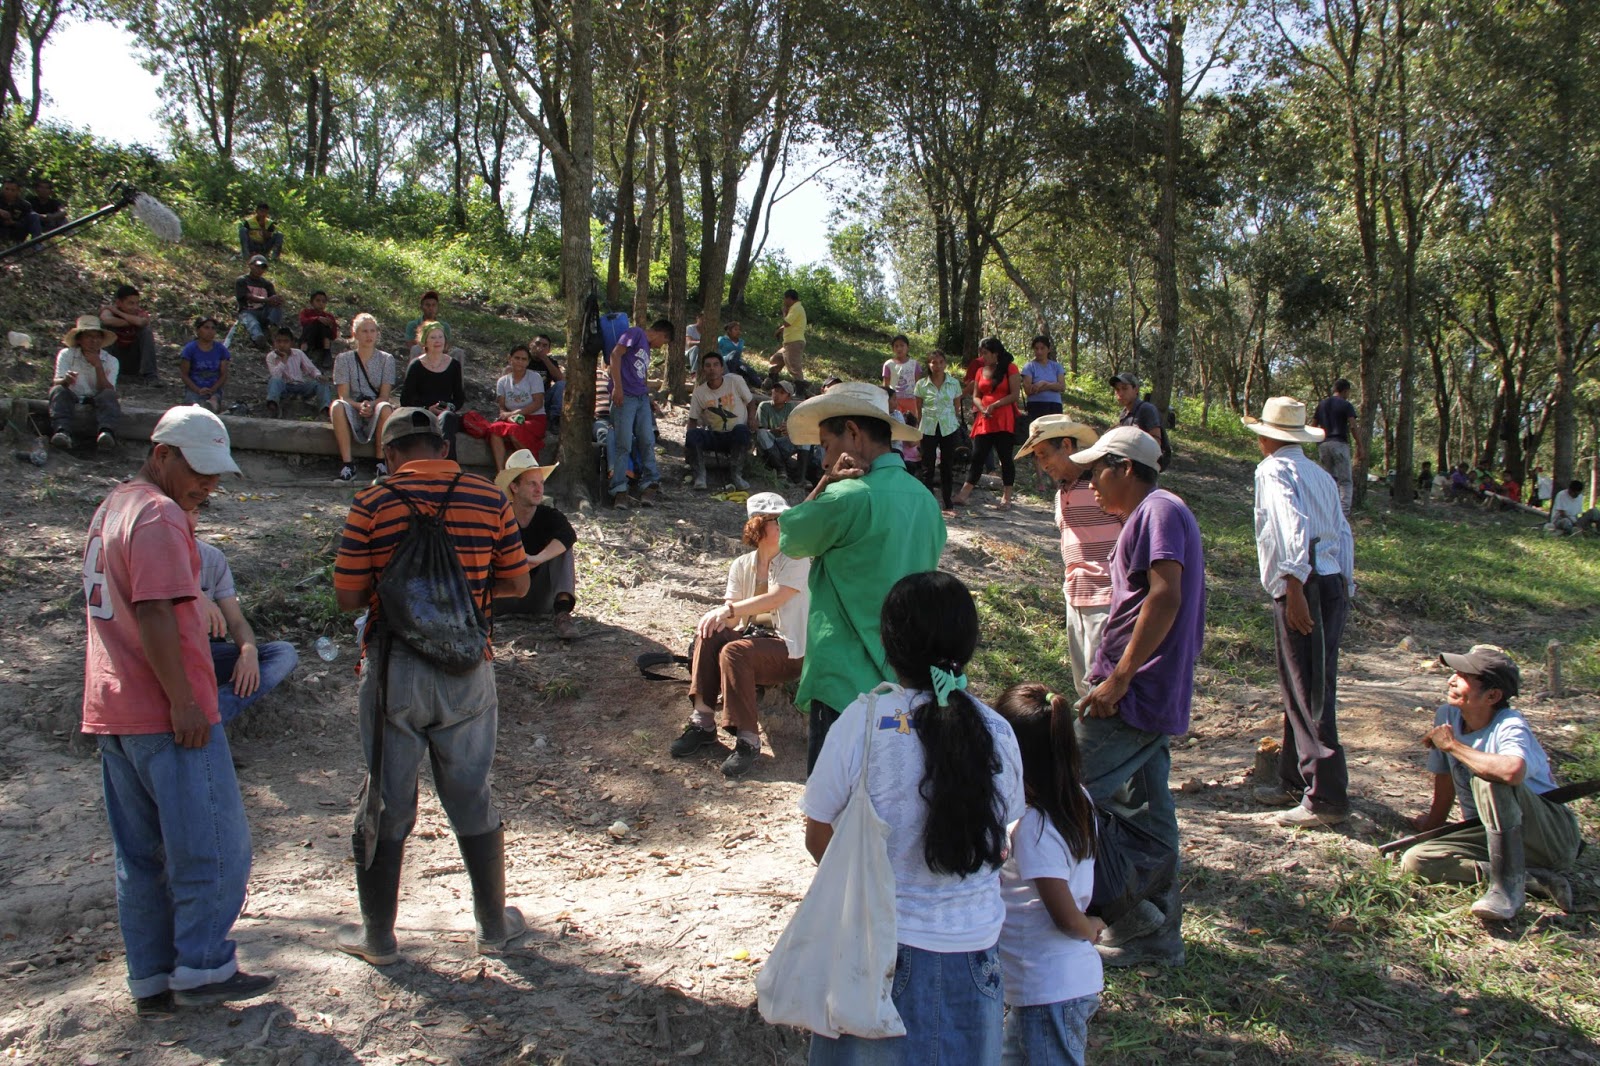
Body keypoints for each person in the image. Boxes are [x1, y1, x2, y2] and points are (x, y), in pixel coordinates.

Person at [80, 405, 275, 1013]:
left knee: (141, 855)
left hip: (115, 707)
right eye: (200, 470)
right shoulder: (161, 515)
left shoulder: (116, 505)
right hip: (165, 711)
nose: (209, 485)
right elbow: (159, 612)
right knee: (214, 847)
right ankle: (202, 966)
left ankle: (151, 975)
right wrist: (186, 702)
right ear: (162, 453)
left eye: (217, 474)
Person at [332, 407, 532, 965]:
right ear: (443, 450)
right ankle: (493, 926)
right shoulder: (489, 500)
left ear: (391, 455)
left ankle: (378, 938)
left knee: (387, 798)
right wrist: (464, 587)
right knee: (470, 791)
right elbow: (517, 580)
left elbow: (348, 597)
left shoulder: (372, 503)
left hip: (396, 669)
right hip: (468, 670)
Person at [801, 571, 1023, 1065]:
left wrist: (867, 884)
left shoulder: (860, 723)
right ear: (969, 644)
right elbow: (1007, 831)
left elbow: (818, 836)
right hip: (976, 956)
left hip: (875, 951)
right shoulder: (999, 732)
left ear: (889, 644)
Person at [1066, 426, 1206, 967]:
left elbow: (1166, 597)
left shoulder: (1158, 510)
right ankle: (1154, 934)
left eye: (1096, 470)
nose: (1091, 483)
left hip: (1134, 693)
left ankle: (1120, 917)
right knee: (1148, 814)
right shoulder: (1151, 515)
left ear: (1125, 466)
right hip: (1149, 690)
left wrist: (1120, 678)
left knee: (1061, 788)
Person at [779, 382, 945, 772]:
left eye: (825, 445)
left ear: (853, 432)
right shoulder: (925, 500)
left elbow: (791, 537)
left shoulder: (848, 496)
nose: (824, 459)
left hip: (844, 682)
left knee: (832, 808)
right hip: (905, 682)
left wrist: (825, 485)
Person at [1399, 646, 1583, 921]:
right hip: (1489, 833)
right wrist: (1433, 826)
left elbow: (1511, 772)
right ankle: (1533, 880)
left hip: (1550, 836)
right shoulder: (1448, 715)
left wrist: (1453, 746)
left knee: (1490, 776)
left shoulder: (1509, 725)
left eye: (1462, 676)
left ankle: (1506, 890)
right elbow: (1445, 778)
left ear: (1493, 695)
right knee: (1416, 861)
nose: (1451, 680)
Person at [1243, 398, 1356, 829]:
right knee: (1305, 682)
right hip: (1329, 582)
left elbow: (1290, 526)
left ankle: (1326, 795)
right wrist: (1346, 583)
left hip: (1304, 583)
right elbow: (1341, 531)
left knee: (1309, 688)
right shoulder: (1320, 475)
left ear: (1269, 436)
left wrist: (1293, 584)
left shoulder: (1274, 470)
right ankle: (1295, 776)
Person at [993, 684, 1104, 1066]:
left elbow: (1064, 915)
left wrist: (1088, 927)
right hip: (1035, 989)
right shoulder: (1078, 799)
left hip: (1049, 989)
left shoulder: (1034, 828)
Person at [671, 492, 811, 777]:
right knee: (710, 633)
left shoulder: (797, 559)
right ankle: (703, 722)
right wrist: (720, 618)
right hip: (752, 640)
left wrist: (727, 611)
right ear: (758, 525)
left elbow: (776, 598)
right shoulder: (742, 565)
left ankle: (748, 740)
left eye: (786, 518)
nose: (785, 525)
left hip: (789, 648)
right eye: (777, 520)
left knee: (734, 650)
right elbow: (733, 618)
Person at [1015, 416, 1117, 698]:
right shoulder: (1061, 494)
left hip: (1108, 596)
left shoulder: (1104, 484)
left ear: (1067, 445)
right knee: (1084, 685)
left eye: (1045, 454)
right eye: (1037, 457)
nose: (1043, 464)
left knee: (1104, 685)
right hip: (1075, 596)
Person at [195, 529, 300, 724]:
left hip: (204, 653)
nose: (183, 519)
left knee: (284, 653)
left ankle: (211, 717)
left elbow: (236, 621)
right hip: (162, 660)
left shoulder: (211, 557)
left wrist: (248, 652)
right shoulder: (145, 554)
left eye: (192, 510)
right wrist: (194, 596)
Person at [493, 449, 577, 639]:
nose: (539, 490)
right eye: (532, 484)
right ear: (514, 487)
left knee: (563, 547)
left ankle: (563, 614)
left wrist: (537, 559)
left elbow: (568, 534)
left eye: (541, 483)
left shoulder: (549, 516)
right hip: (501, 598)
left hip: (539, 599)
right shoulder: (497, 518)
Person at [954, 337, 1023, 509]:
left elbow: (1015, 395)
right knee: (977, 456)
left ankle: (1006, 497)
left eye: (985, 353)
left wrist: (996, 405)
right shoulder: (980, 371)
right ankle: (964, 494)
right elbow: (976, 395)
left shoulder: (1010, 368)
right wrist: (982, 407)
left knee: (1005, 457)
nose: (982, 356)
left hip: (1004, 419)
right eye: (981, 353)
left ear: (995, 353)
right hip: (984, 419)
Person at [606, 317, 668, 508]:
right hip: (625, 398)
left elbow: (638, 374)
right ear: (661, 334)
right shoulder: (635, 333)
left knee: (647, 440)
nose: (661, 346)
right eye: (664, 342)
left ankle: (650, 484)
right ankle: (619, 489)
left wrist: (648, 399)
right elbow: (615, 355)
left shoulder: (646, 349)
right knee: (623, 443)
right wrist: (617, 387)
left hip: (640, 398)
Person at [329, 313, 397, 482]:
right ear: (355, 334)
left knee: (385, 407)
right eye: (364, 331)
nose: (369, 335)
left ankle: (381, 463)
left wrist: (370, 405)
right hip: (353, 407)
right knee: (337, 405)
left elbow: (384, 396)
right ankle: (347, 465)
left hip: (376, 405)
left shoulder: (386, 359)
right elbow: (343, 395)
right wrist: (358, 406)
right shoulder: (343, 359)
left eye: (372, 331)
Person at [50, 315, 121, 452]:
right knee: (58, 390)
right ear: (79, 339)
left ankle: (106, 433)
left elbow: (108, 389)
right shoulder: (66, 355)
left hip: (96, 397)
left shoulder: (111, 361)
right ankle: (62, 432)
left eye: (97, 337)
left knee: (109, 395)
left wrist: (98, 366)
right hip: (72, 395)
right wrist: (66, 380)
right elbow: (56, 381)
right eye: (89, 337)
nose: (94, 341)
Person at [687, 350, 757, 490]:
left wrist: (751, 419)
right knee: (693, 434)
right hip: (715, 435)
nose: (712, 368)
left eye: (715, 365)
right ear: (703, 369)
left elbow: (751, 402)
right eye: (708, 365)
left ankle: (736, 475)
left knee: (741, 430)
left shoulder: (735, 381)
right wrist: (689, 446)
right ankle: (700, 476)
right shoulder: (699, 392)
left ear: (722, 368)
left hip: (736, 435)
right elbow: (693, 419)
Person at [400, 322, 466, 457]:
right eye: (433, 337)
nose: (437, 341)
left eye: (440, 337)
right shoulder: (416, 365)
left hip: (446, 413)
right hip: (422, 412)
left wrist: (449, 407)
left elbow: (459, 398)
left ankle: (448, 466)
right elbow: (405, 400)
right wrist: (427, 409)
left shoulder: (454, 365)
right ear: (425, 341)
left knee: (447, 418)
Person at [913, 349, 964, 514]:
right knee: (928, 466)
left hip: (949, 427)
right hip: (928, 427)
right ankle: (927, 502)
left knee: (947, 465)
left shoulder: (953, 383)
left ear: (945, 363)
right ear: (928, 364)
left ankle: (948, 503)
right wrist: (923, 422)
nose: (937, 365)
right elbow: (918, 408)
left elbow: (956, 406)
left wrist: (948, 419)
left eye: (941, 362)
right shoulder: (921, 384)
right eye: (934, 362)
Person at [484, 343, 548, 470]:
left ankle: (531, 467)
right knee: (494, 429)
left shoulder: (534, 377)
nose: (520, 362)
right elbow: (502, 408)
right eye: (517, 358)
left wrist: (515, 414)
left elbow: (538, 403)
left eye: (524, 359)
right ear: (510, 359)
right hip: (512, 419)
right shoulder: (503, 382)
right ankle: (501, 472)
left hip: (534, 418)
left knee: (514, 431)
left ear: (528, 362)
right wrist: (508, 417)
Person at [1310, 378, 1361, 514]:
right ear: (1345, 391)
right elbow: (1353, 426)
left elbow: (1313, 425)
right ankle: (1344, 512)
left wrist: (1316, 443)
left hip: (1324, 444)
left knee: (1329, 478)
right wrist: (1360, 445)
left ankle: (1326, 508)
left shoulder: (1321, 405)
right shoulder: (1346, 405)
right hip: (1339, 443)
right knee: (1345, 481)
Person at [1022, 337, 1066, 490]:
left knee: (1054, 441)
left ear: (1048, 349)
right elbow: (1028, 389)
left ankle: (1055, 479)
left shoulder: (1056, 367)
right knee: (1038, 440)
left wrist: (1044, 384)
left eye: (1042, 348)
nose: (1039, 351)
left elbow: (1062, 386)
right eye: (1036, 348)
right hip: (1036, 406)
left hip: (1054, 406)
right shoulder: (1029, 367)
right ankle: (1040, 480)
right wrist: (1043, 386)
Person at [100, 284, 160, 384]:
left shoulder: (139, 313)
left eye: (137, 303)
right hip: (115, 355)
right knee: (107, 331)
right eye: (131, 303)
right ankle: (108, 373)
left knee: (146, 332)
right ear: (119, 303)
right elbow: (106, 320)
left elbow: (142, 322)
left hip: (133, 358)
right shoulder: (109, 311)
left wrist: (118, 313)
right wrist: (132, 320)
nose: (135, 307)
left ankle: (150, 375)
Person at [264, 328, 332, 417]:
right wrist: (283, 360)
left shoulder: (298, 353)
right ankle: (272, 406)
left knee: (321, 383)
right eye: (279, 341)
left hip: (300, 386)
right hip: (284, 387)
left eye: (285, 342)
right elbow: (276, 375)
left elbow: (311, 369)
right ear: (274, 343)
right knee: (274, 380)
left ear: (292, 343)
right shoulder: (271, 356)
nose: (282, 345)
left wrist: (318, 376)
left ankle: (325, 410)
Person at [756, 378, 808, 484]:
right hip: (770, 444)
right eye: (775, 390)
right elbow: (762, 429)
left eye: (782, 393)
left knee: (805, 439)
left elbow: (797, 429)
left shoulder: (791, 408)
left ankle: (801, 476)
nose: (777, 394)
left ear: (788, 398)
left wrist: (790, 430)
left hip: (784, 443)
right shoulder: (764, 406)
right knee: (761, 434)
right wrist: (777, 430)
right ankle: (781, 469)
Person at [179, 317, 231, 412]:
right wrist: (198, 390)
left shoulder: (221, 350)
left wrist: (213, 389)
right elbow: (184, 375)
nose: (210, 331)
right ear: (198, 330)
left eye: (213, 328)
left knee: (213, 404)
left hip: (214, 389)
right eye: (206, 328)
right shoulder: (189, 349)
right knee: (193, 408)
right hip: (194, 388)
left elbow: (223, 375)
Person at [234, 256, 285, 350]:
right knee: (252, 323)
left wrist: (278, 300)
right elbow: (248, 296)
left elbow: (272, 300)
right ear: (250, 265)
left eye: (263, 267)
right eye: (257, 266)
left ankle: (273, 329)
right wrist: (267, 300)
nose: (260, 269)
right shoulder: (242, 281)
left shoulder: (267, 284)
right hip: (247, 311)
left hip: (264, 312)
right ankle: (259, 339)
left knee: (276, 308)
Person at [528, 334, 565, 431]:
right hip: (525, 398)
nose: (540, 348)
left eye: (545, 346)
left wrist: (545, 359)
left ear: (549, 350)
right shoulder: (524, 359)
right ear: (531, 345)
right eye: (537, 344)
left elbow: (560, 379)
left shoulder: (550, 362)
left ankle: (554, 419)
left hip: (544, 399)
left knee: (561, 385)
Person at [770, 288, 807, 383]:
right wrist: (780, 330)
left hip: (794, 342)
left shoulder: (796, 308)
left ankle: (800, 390)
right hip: (788, 342)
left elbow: (787, 322)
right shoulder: (794, 308)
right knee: (776, 359)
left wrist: (784, 312)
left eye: (785, 299)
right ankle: (771, 382)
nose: (784, 301)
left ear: (789, 299)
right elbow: (791, 323)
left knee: (794, 367)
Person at [881, 335, 921, 418]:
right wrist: (886, 400)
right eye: (896, 346)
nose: (899, 348)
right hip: (895, 401)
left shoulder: (914, 364)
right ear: (893, 348)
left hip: (911, 400)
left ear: (907, 347)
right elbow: (886, 385)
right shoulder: (888, 364)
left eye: (902, 345)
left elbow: (918, 384)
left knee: (912, 423)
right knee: (897, 424)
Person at [298, 291, 340, 366]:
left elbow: (334, 335)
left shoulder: (328, 316)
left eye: (323, 301)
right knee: (311, 324)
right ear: (312, 302)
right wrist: (316, 318)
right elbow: (303, 322)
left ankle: (327, 353)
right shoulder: (306, 312)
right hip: (308, 339)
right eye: (318, 300)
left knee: (324, 325)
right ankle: (303, 353)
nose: (321, 303)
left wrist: (330, 326)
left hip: (321, 341)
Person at [719, 320, 762, 389]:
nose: (738, 332)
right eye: (735, 329)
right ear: (729, 331)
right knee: (734, 353)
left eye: (739, 330)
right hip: (725, 361)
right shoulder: (722, 340)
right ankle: (732, 379)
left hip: (737, 362)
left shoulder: (741, 341)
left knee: (748, 369)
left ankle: (760, 384)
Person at [0, 177, 42, 243]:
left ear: (18, 191)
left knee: (34, 216)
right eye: (7, 189)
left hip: (15, 233)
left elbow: (25, 222)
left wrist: (13, 223)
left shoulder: (24, 205)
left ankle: (37, 243)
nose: (9, 192)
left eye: (13, 190)